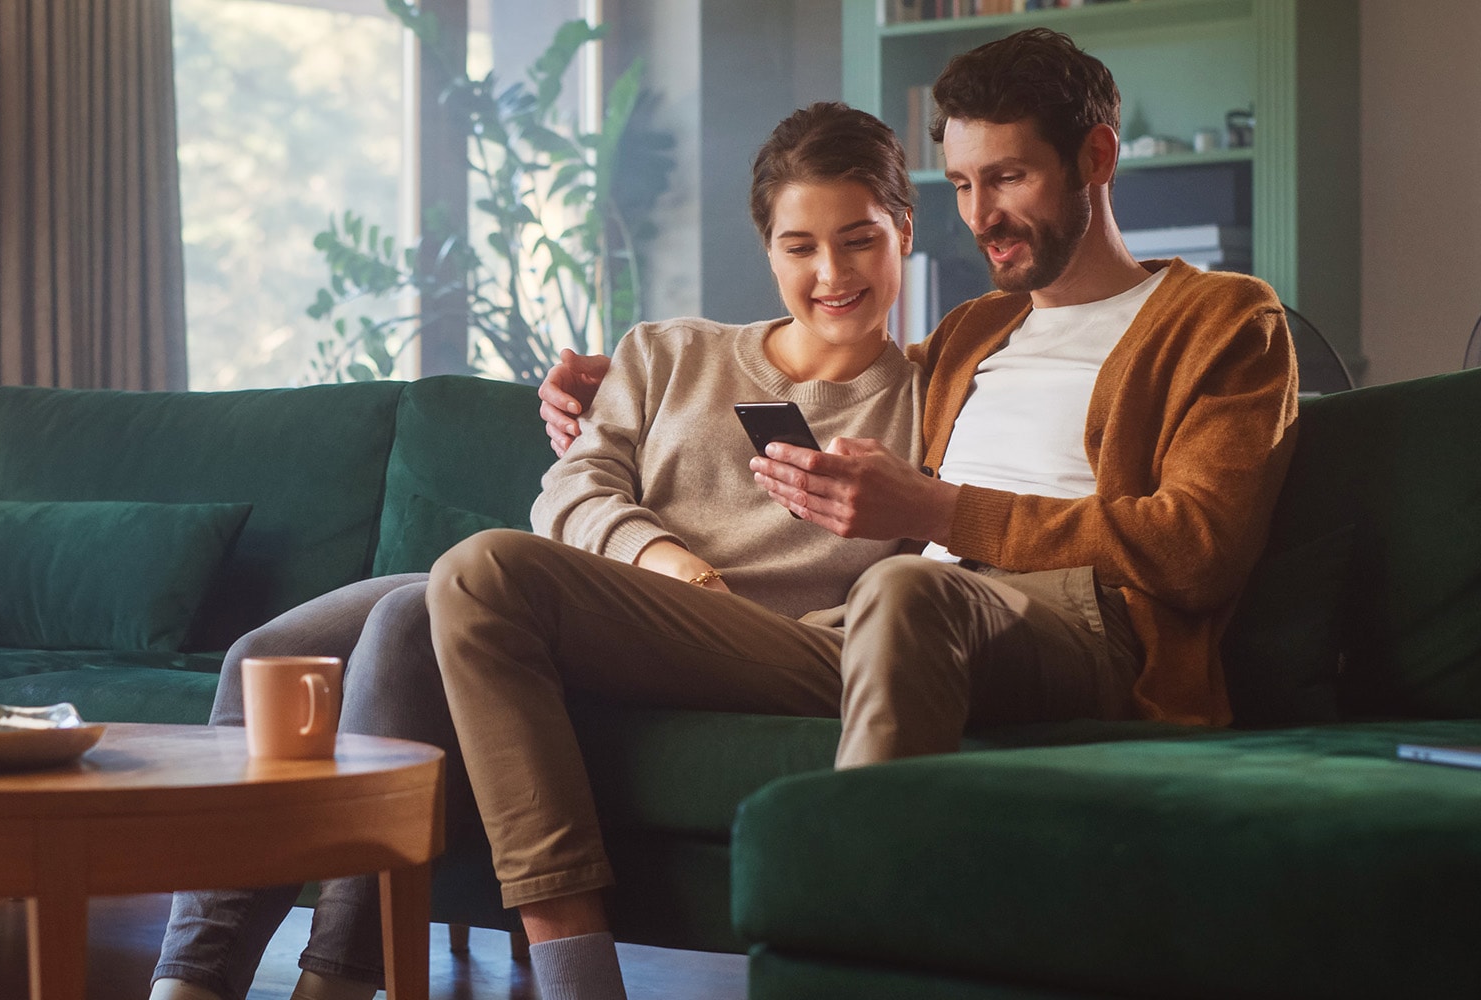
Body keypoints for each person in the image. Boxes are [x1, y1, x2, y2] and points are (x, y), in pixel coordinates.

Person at [482, 27, 1299, 996]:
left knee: (907, 587)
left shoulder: (1225, 322)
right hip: (883, 626)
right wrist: (616, 384)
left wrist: (942, 508)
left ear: (1098, 156)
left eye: (1010, 178)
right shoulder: (972, 332)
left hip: (1079, 625)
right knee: (489, 573)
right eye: (960, 184)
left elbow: (1198, 546)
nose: (982, 215)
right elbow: (828, 366)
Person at [151, 102, 925, 1000]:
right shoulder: (667, 352)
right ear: (768, 249)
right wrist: (671, 564)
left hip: (753, 640)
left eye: (859, 240)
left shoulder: (929, 401)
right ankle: (192, 983)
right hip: (602, 593)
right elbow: (570, 491)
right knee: (271, 658)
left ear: (904, 229)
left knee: (412, 616)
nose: (831, 272)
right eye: (801, 246)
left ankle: (333, 979)